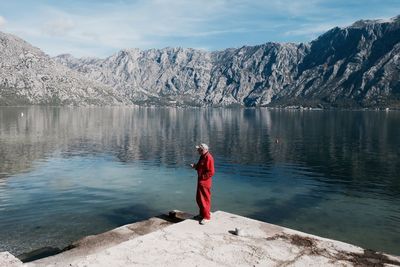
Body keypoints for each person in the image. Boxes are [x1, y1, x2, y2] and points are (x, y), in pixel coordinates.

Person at [190, 143, 215, 225]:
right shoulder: (202, 156)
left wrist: (202, 177)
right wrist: (195, 166)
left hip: (205, 182)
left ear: (203, 150)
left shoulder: (209, 157)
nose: (197, 151)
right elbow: (200, 167)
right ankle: (202, 214)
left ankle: (207, 217)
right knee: (199, 199)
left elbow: (211, 172)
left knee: (204, 199)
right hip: (201, 181)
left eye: (199, 150)